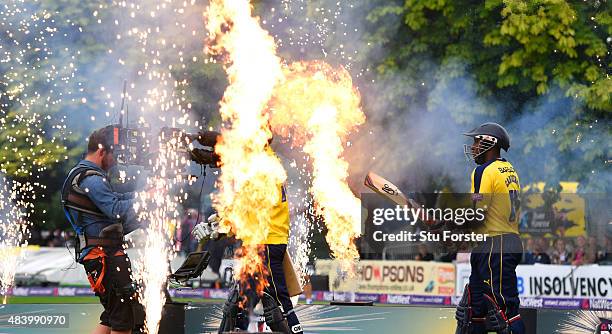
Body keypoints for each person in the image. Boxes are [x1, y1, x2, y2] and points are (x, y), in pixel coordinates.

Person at [193, 143, 303, 334]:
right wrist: (219, 224)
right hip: (258, 242)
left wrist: (220, 226)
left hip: (265, 243)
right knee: (240, 303)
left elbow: (247, 208)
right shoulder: (264, 163)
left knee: (280, 304)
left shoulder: (262, 168)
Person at [61, 126, 144, 334]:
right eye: (114, 154)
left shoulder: (84, 176)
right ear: (101, 151)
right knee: (123, 318)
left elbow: (116, 201)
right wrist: (147, 201)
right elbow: (116, 209)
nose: (116, 161)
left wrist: (145, 197)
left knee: (112, 315)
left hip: (101, 255)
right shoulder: (91, 178)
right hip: (104, 256)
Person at [455, 123, 526, 334]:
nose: (473, 146)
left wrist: (449, 224)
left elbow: (477, 212)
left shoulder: (483, 171)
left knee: (503, 312)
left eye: (477, 141)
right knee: (472, 309)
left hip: (496, 243)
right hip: (498, 242)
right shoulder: (509, 168)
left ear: (490, 142)